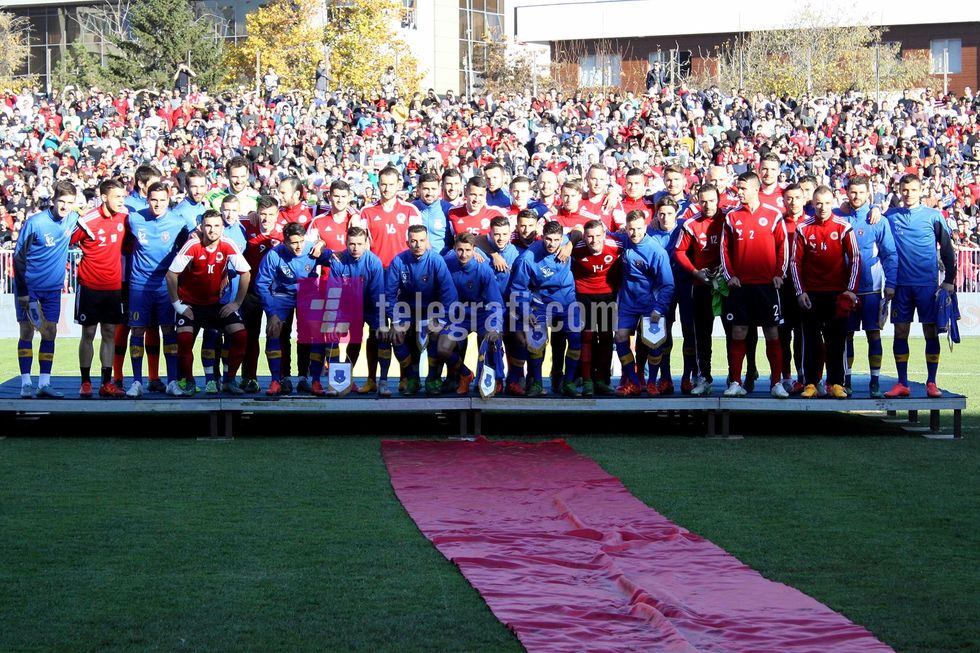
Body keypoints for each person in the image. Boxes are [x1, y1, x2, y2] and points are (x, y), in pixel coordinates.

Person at [883, 174, 957, 398]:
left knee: (930, 332)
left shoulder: (933, 216)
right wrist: (874, 210)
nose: (908, 194)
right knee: (900, 332)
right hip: (901, 286)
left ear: (920, 191)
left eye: (912, 190)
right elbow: (872, 222)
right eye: (904, 190)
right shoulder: (890, 216)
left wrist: (950, 280)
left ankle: (932, 382)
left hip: (927, 286)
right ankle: (902, 382)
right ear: (899, 191)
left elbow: (946, 248)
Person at [719, 172, 789, 398]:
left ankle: (776, 383)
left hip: (767, 286)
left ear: (755, 189)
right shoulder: (731, 217)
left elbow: (783, 247)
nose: (739, 192)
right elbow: (724, 249)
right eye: (737, 189)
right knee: (738, 332)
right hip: (741, 287)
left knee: (771, 331)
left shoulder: (773, 215)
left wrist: (780, 273)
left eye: (743, 188)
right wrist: (730, 275)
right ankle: (736, 382)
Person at [166, 210, 251, 395]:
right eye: (208, 226)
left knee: (240, 335)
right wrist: (178, 305)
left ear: (222, 228)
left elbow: (246, 273)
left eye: (216, 226)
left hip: (215, 305)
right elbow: (171, 274)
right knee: (184, 338)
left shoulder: (228, 245)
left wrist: (236, 303)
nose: (212, 230)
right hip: (190, 305)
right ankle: (188, 382)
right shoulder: (192, 245)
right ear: (202, 227)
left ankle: (229, 380)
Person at [791, 186, 861, 399]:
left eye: (827, 203)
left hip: (836, 294)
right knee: (809, 340)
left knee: (836, 339)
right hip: (811, 294)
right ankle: (810, 382)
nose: (822, 207)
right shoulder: (803, 228)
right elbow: (795, 262)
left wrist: (850, 291)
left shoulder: (843, 227)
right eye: (818, 203)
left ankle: (836, 383)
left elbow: (856, 259)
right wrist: (800, 291)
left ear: (833, 203)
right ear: (812, 204)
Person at [124, 181, 193, 397]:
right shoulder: (134, 219)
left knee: (168, 331)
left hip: (165, 286)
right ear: (147, 199)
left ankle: (172, 381)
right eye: (154, 199)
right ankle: (136, 382)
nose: (158, 204)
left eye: (162, 200)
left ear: (169, 200)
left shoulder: (178, 222)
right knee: (137, 331)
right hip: (139, 286)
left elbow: (188, 246)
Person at [13, 181, 80, 398]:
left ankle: (44, 383)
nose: (65, 206)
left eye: (69, 202)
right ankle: (25, 383)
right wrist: (22, 291)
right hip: (30, 288)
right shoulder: (36, 223)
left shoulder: (73, 218)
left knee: (50, 333)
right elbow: (18, 257)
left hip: (52, 290)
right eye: (61, 201)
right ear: (53, 200)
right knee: (27, 331)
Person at [256, 222, 332, 396]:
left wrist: (323, 244)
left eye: (301, 241)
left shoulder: (313, 249)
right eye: (293, 242)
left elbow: (336, 259)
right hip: (283, 296)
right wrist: (271, 313)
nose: (298, 246)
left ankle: (314, 381)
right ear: (284, 241)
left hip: (308, 294)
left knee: (317, 332)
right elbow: (261, 284)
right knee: (274, 330)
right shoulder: (274, 255)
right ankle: (277, 380)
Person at [838, 175, 897, 397]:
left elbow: (890, 254)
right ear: (847, 193)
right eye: (853, 192)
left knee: (874, 335)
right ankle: (847, 380)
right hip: (846, 291)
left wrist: (890, 283)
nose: (856, 196)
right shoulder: (839, 217)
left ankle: (875, 381)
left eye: (861, 192)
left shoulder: (878, 220)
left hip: (872, 289)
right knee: (847, 336)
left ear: (868, 194)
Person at [510, 220, 582, 397]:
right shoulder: (528, 258)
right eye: (548, 239)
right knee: (536, 341)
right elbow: (518, 288)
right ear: (542, 237)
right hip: (541, 303)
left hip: (567, 301)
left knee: (575, 339)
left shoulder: (566, 243)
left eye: (556, 240)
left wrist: (570, 244)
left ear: (561, 238)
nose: (552, 244)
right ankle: (536, 383)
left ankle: (569, 382)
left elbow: (578, 229)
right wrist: (526, 311)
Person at [71, 178, 130, 398]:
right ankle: (85, 382)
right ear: (104, 197)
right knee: (88, 332)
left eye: (123, 197)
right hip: (89, 286)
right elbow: (67, 239)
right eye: (117, 197)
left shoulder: (125, 218)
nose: (121, 201)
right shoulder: (88, 220)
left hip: (113, 287)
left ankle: (107, 383)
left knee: (109, 333)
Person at [606, 210, 674, 396]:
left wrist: (659, 308)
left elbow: (667, 284)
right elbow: (602, 234)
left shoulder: (657, 251)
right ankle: (634, 381)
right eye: (631, 229)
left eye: (638, 229)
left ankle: (652, 382)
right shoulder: (624, 240)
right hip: (627, 302)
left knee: (654, 343)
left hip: (650, 304)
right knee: (620, 338)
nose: (634, 233)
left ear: (645, 227)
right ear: (625, 229)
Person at [383, 225, 458, 395]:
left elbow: (449, 293)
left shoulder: (436, 260)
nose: (418, 244)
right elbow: (389, 295)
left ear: (427, 241)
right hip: (407, 311)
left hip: (433, 311)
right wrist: (395, 321)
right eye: (414, 241)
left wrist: (442, 320)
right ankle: (412, 379)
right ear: (407, 242)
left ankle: (432, 379)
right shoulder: (398, 261)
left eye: (422, 240)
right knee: (397, 336)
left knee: (436, 333)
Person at [433, 232, 504, 395]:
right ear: (454, 249)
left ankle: (493, 378)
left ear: (474, 250)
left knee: (492, 340)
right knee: (443, 348)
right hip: (458, 317)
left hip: (482, 316)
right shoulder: (446, 263)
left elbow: (496, 303)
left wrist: (495, 327)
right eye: (460, 250)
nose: (463, 254)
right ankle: (465, 374)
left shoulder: (483, 269)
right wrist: (440, 320)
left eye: (467, 250)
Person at [674, 183, 726, 396]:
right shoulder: (690, 224)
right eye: (703, 201)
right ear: (697, 200)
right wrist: (695, 272)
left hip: (726, 285)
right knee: (702, 335)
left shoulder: (729, 219)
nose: (707, 205)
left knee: (735, 332)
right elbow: (679, 251)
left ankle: (736, 378)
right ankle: (703, 377)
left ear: (718, 199)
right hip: (701, 286)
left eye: (712, 200)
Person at [325, 226, 387, 396]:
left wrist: (380, 323)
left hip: (370, 307)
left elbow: (378, 294)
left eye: (359, 243)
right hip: (346, 308)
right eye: (352, 244)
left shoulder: (374, 262)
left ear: (366, 243)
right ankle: (339, 382)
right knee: (331, 337)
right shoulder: (338, 261)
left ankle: (379, 381)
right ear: (346, 243)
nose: (355, 248)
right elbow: (333, 292)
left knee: (379, 336)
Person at [570, 218, 621, 396]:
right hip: (584, 295)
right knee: (587, 337)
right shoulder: (575, 248)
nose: (594, 241)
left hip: (608, 295)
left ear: (605, 234)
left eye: (598, 236)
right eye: (590, 237)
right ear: (584, 237)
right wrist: (571, 237)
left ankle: (602, 379)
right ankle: (587, 381)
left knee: (606, 338)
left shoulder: (616, 245)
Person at [239, 196, 282, 392]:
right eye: (262, 214)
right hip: (252, 293)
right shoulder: (246, 226)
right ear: (257, 214)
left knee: (278, 335)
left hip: (277, 294)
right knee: (250, 336)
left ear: (277, 214)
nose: (266, 219)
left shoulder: (284, 233)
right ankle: (249, 378)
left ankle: (280, 379)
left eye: (271, 214)